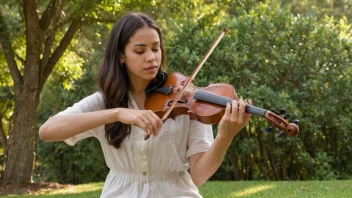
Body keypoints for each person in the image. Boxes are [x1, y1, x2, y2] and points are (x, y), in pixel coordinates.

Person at [39, 12, 252, 198]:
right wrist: (118, 113)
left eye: (156, 48)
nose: (151, 58)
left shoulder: (187, 98)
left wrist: (225, 137)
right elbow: (47, 131)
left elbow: (199, 175)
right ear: (121, 56)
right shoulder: (105, 102)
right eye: (140, 51)